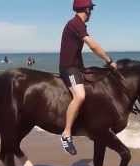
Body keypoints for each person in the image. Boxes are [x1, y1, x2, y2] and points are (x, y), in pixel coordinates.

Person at [59, 0, 117, 155]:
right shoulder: (75, 23)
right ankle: (66, 134)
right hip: (68, 68)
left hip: (78, 68)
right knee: (80, 95)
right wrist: (109, 61)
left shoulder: (80, 25)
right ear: (86, 9)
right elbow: (93, 46)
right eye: (91, 8)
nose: (92, 11)